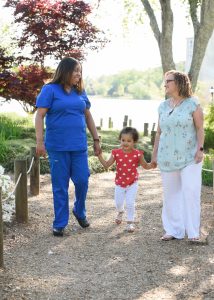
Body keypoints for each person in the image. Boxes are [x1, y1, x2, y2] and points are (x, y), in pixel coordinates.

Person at [35, 57, 101, 237]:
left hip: (79, 146)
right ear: (65, 71)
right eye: (75, 70)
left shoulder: (80, 92)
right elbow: (39, 116)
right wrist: (40, 142)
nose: (79, 74)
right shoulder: (50, 90)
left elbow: (88, 116)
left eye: (80, 71)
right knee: (60, 185)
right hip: (57, 147)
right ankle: (60, 223)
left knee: (82, 180)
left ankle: (79, 210)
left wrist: (96, 140)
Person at [151, 70, 204, 242]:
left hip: (190, 156)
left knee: (191, 192)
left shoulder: (193, 104)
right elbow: (159, 133)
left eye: (168, 81)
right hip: (167, 157)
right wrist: (154, 154)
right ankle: (173, 230)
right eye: (164, 81)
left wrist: (200, 149)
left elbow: (199, 128)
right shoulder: (163, 106)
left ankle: (193, 232)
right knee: (170, 194)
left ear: (180, 82)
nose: (165, 84)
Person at [98, 127, 156, 232]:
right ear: (120, 140)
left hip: (132, 183)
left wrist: (152, 165)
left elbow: (145, 165)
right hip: (119, 183)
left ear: (134, 141)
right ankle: (120, 212)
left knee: (130, 202)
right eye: (123, 140)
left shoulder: (138, 154)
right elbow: (107, 165)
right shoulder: (116, 153)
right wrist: (99, 156)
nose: (125, 143)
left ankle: (130, 223)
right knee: (118, 203)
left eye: (129, 141)